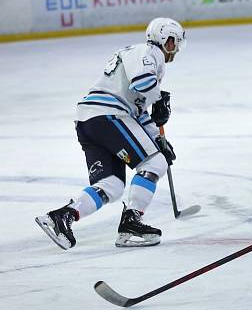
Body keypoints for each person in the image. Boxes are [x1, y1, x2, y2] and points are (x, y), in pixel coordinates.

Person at [35, 17, 186, 250]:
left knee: (111, 185)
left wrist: (157, 137)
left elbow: (138, 110)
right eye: (173, 42)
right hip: (109, 115)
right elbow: (142, 83)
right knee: (155, 163)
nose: (174, 49)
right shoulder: (150, 53)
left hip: (90, 120)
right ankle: (131, 223)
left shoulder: (138, 54)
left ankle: (62, 216)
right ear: (164, 38)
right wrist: (160, 99)